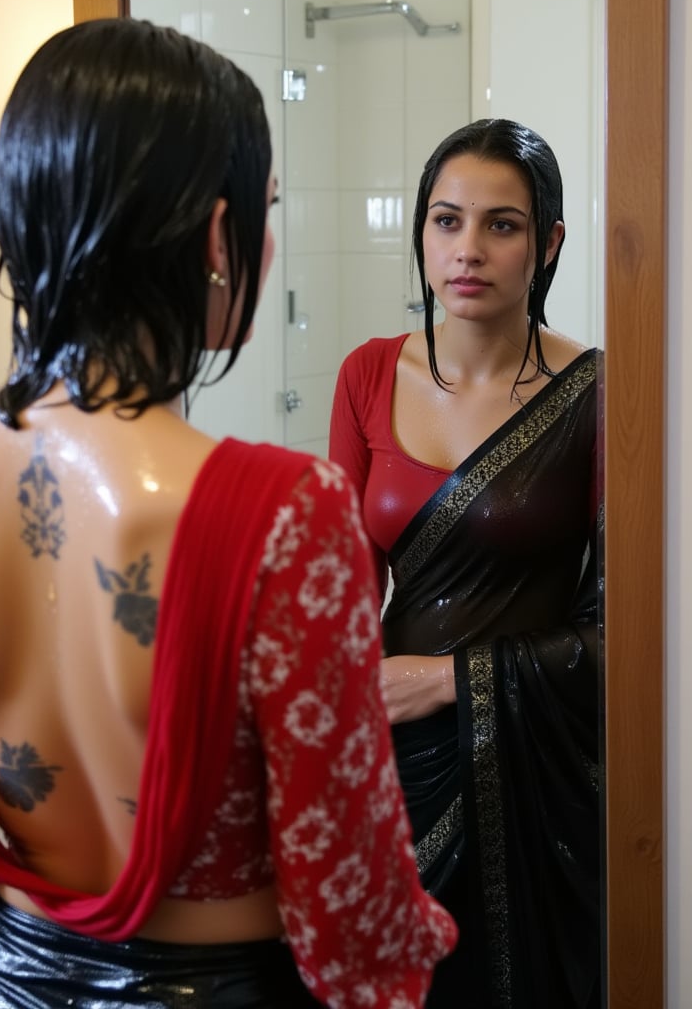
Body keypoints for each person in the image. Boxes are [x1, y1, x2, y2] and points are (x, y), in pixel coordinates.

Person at [0, 18, 458, 1008]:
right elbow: (353, 922)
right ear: (218, 235)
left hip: (3, 978)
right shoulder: (286, 514)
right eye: (266, 208)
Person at [329, 118, 603, 1009]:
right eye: (446, 221)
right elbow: (338, 594)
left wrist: (448, 680)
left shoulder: (601, 393)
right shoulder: (366, 376)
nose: (468, 250)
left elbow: (634, 629)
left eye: (502, 224)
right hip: (391, 757)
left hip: (539, 763)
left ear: (548, 242)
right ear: (420, 232)